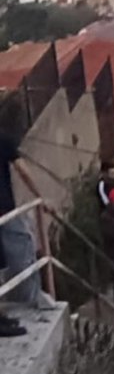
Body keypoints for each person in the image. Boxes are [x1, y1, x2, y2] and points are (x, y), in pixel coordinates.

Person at [0, 132, 41, 337]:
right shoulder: (3, 139)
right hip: (3, 211)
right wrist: (40, 196)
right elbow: (23, 170)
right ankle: (32, 301)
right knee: (23, 246)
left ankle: (1, 315)